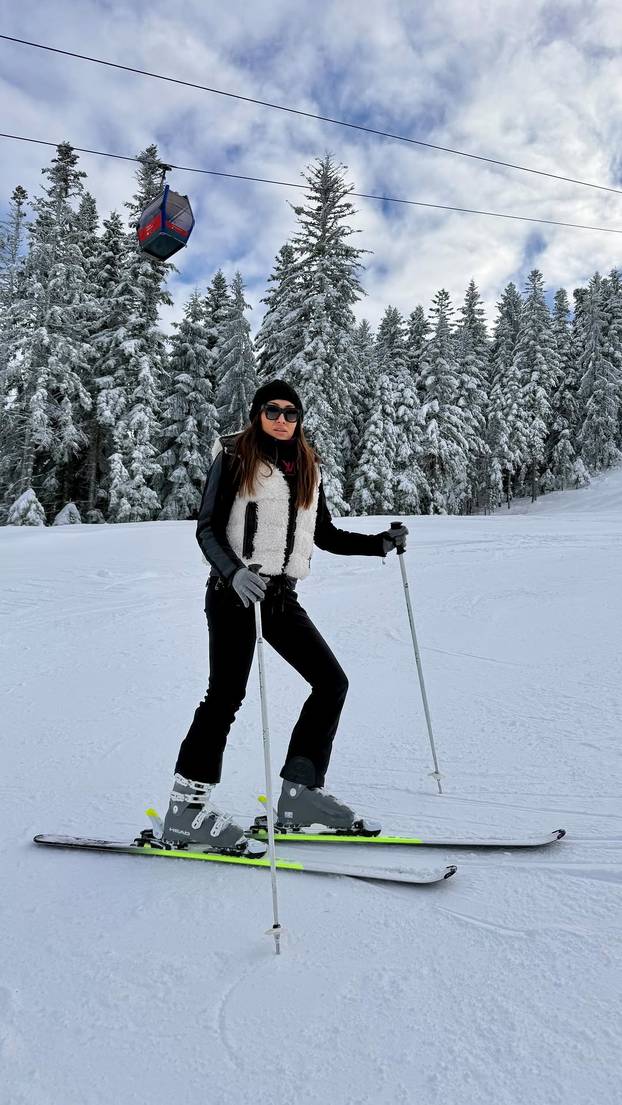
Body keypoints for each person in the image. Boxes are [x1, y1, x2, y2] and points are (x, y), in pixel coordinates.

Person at [161, 379, 408, 853]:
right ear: (257, 414)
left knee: (331, 682)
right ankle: (185, 811)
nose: (281, 419)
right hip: (235, 593)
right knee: (225, 696)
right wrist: (233, 574)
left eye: (290, 412)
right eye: (272, 410)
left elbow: (326, 534)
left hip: (279, 597)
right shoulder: (235, 457)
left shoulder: (307, 468)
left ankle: (299, 795)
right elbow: (207, 528)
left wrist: (378, 544)